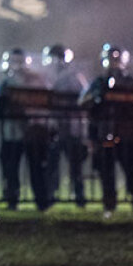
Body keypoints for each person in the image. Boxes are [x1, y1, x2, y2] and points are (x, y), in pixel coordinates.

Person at [79, 44, 133, 216]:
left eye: (116, 60)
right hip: (104, 133)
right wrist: (97, 97)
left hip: (127, 133)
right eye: (110, 59)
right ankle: (109, 205)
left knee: (131, 169)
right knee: (106, 171)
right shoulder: (98, 82)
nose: (113, 63)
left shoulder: (131, 80)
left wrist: (121, 98)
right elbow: (83, 102)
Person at [0, 48, 52, 210]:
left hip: (33, 132)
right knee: (12, 167)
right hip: (13, 133)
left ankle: (40, 201)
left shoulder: (35, 82)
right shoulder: (7, 84)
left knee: (36, 168)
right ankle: (14, 199)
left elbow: (45, 103)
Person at [41, 44, 88, 207]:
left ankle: (79, 196)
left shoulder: (74, 78)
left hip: (72, 128)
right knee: (52, 164)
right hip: (54, 128)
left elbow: (83, 100)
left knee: (75, 166)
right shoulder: (46, 78)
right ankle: (50, 195)